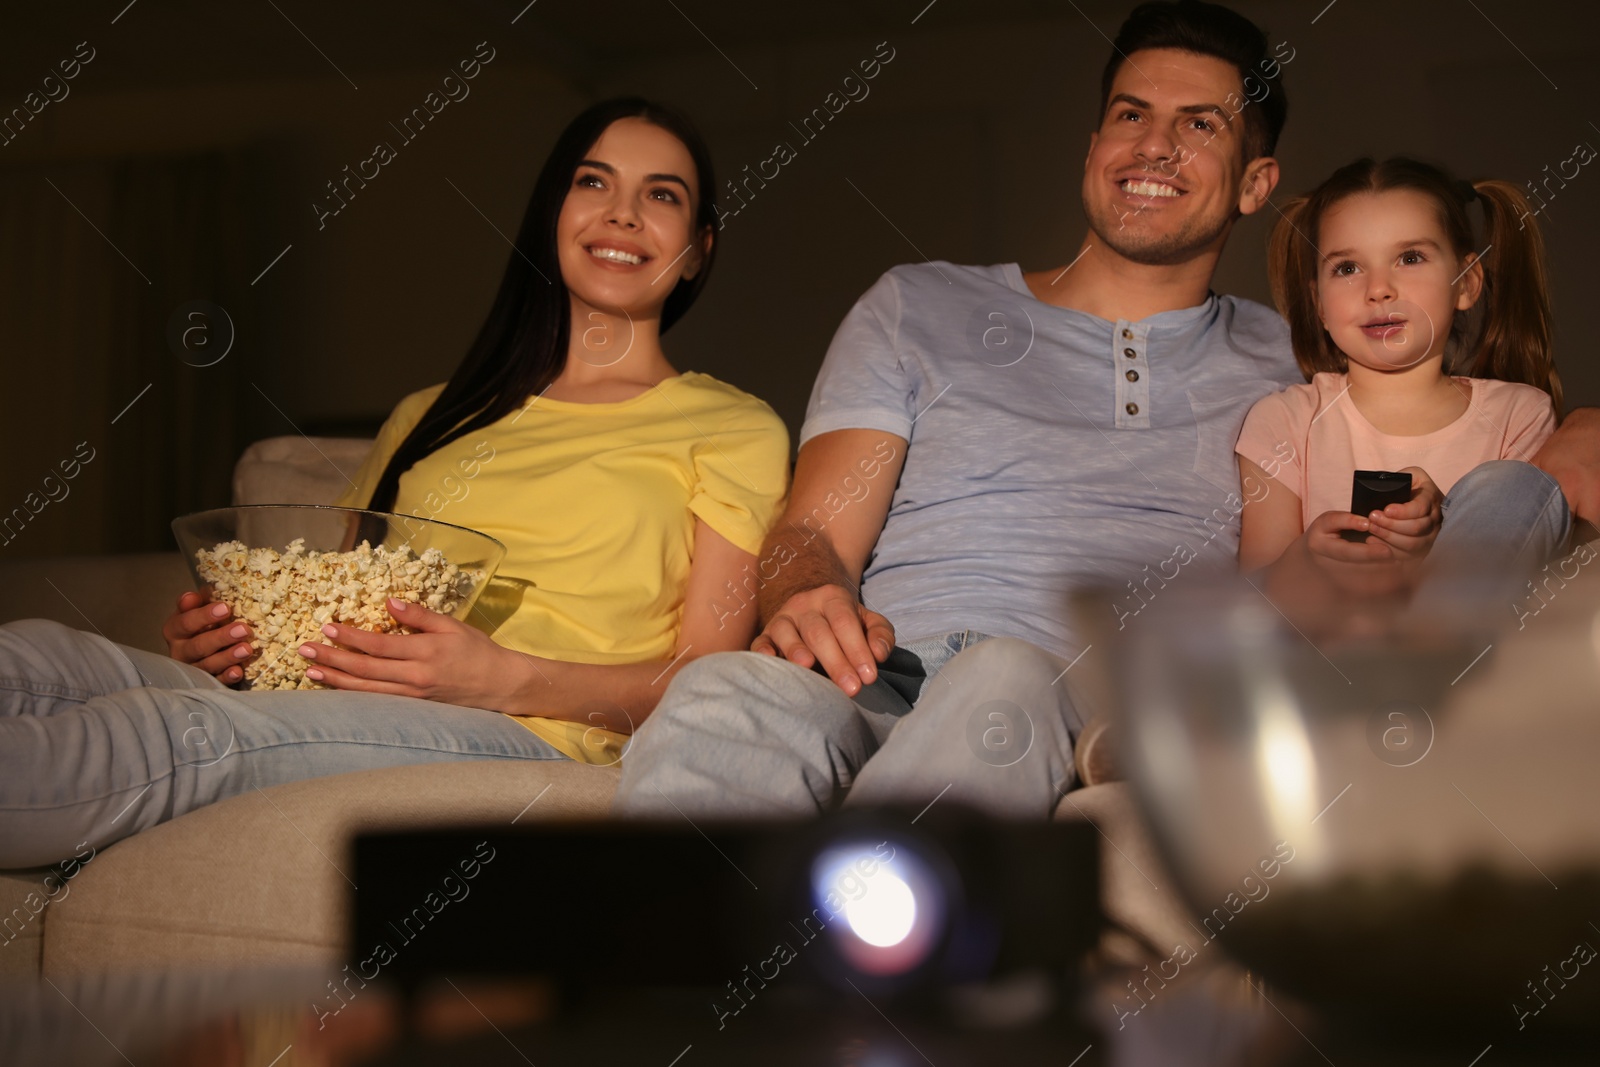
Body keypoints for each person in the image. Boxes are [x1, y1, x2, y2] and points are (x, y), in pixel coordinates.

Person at [612, 0, 1600, 820]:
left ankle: (858, 993)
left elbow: (1454, 415)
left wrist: (1571, 434)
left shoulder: (1298, 360)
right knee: (718, 694)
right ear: (1093, 146)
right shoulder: (920, 303)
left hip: (1074, 695)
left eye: (1199, 124)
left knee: (997, 681)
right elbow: (813, 531)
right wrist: (801, 594)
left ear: (1256, 182)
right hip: (871, 668)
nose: (1153, 144)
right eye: (1129, 115)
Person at [0, 97, 789, 869]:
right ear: (551, 212)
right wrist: (236, 645)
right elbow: (340, 596)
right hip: (343, 693)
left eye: (662, 195)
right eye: (593, 182)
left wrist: (505, 677)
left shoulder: (731, 427)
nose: (621, 213)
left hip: (534, 733)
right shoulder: (428, 416)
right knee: (35, 658)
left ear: (700, 247)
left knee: (166, 731)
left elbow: (705, 678)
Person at [1237, 157, 1570, 600]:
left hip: (1473, 662)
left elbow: (1531, 574)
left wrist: (1448, 522)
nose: (1378, 289)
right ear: (1318, 303)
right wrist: (1309, 564)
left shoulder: (1519, 415)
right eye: (1347, 268)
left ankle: (1426, 646)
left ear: (1467, 283)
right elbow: (1249, 602)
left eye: (1410, 258)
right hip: (1327, 654)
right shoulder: (1283, 423)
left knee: (1514, 486)